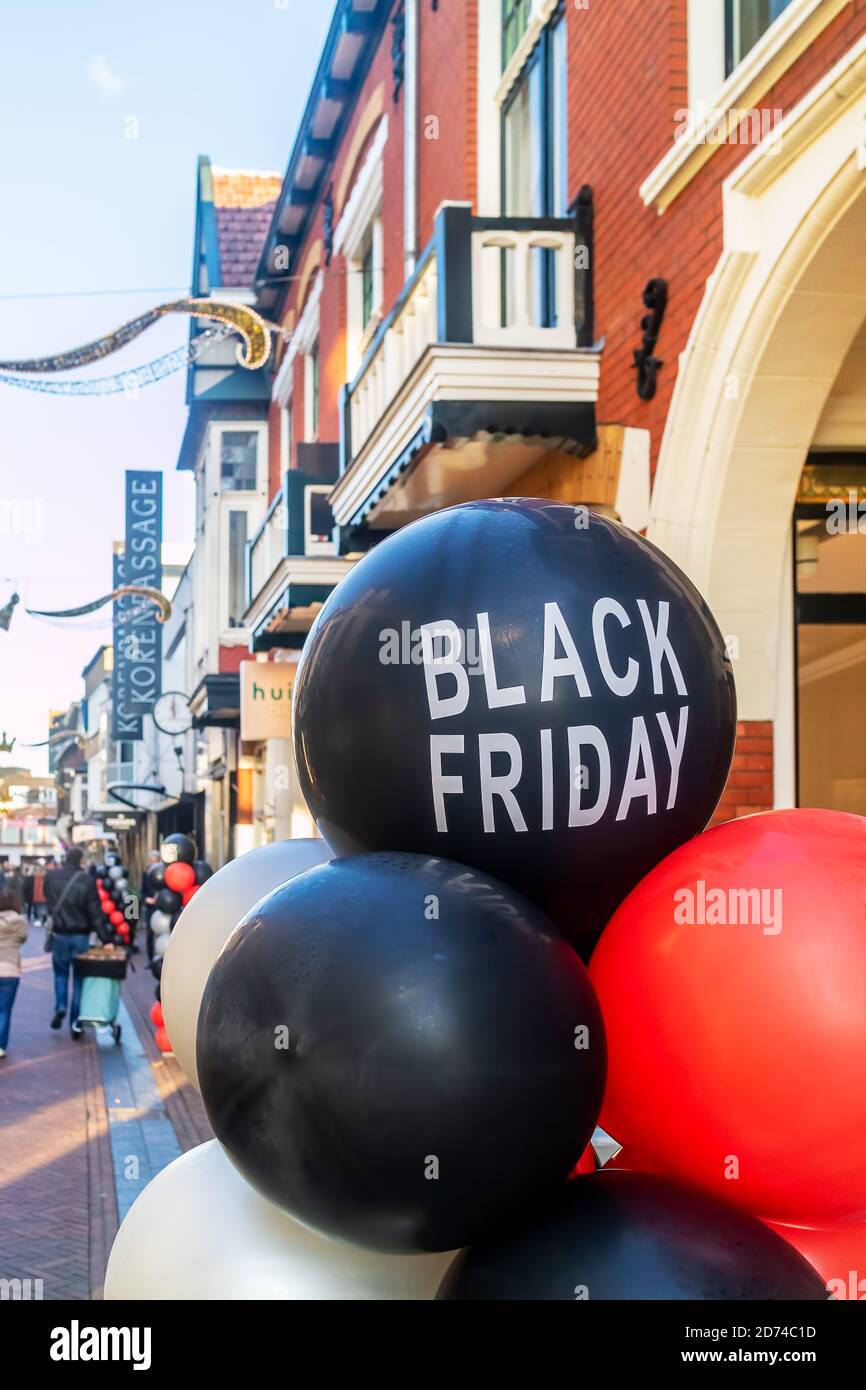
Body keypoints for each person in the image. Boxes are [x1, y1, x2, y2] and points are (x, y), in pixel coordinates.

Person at [44, 848, 110, 1038]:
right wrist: (105, 939)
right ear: (80, 860)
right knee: (80, 980)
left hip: (59, 935)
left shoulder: (51, 877)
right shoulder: (86, 880)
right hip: (81, 936)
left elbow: (48, 900)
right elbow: (95, 912)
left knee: (60, 974)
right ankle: (75, 1022)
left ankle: (60, 1005)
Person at [0, 889, 29, 1058]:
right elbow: (23, 938)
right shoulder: (19, 922)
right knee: (4, 1010)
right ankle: (1, 1045)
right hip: (11, 969)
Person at [140, 849, 162, 963]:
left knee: (161, 933)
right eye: (151, 861)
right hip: (150, 908)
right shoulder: (145, 874)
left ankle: (160, 958)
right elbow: (142, 891)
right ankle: (150, 960)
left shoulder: (164, 873)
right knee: (149, 934)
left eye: (155, 860)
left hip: (161, 907)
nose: (153, 863)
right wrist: (146, 899)